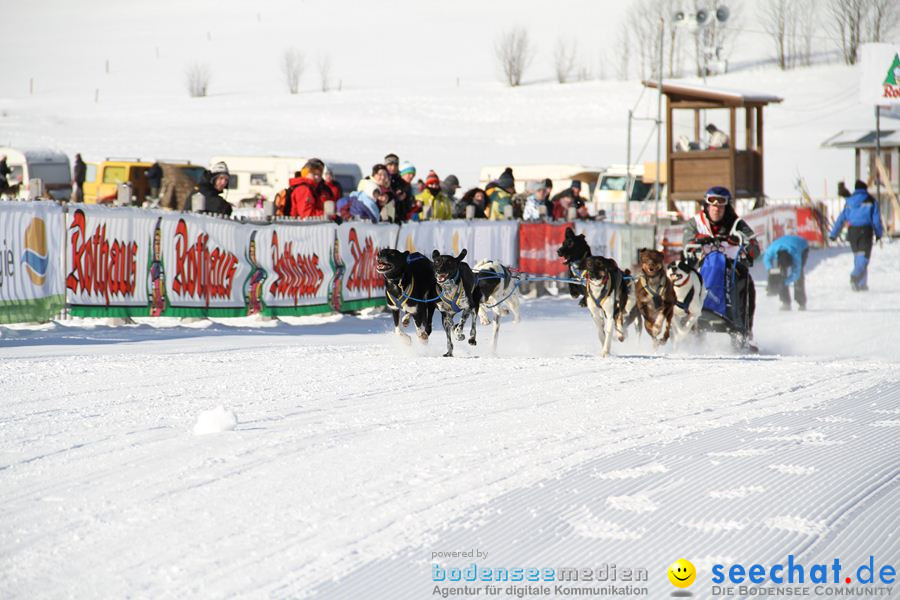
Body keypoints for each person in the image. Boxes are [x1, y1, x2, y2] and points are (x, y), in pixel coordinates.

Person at [683, 185, 760, 335]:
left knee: (745, 281)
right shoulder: (696, 223)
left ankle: (743, 330)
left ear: (727, 207)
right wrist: (699, 241)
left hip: (731, 267)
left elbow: (754, 248)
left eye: (721, 205)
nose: (717, 209)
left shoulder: (737, 224)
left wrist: (742, 244)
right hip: (702, 265)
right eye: (713, 204)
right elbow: (686, 244)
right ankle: (684, 324)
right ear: (707, 205)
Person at [829, 180, 884, 291]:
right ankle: (855, 276)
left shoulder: (849, 202)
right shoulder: (871, 200)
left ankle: (860, 284)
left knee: (858, 256)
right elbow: (876, 219)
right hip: (865, 230)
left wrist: (833, 234)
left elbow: (841, 218)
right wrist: (879, 233)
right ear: (865, 189)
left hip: (852, 232)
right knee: (864, 257)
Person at [763, 234, 809, 311]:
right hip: (783, 245)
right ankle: (785, 302)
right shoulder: (772, 250)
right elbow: (766, 260)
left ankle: (801, 303)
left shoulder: (796, 255)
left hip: (802, 246)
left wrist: (784, 282)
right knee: (780, 274)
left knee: (799, 276)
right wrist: (771, 271)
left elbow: (796, 274)